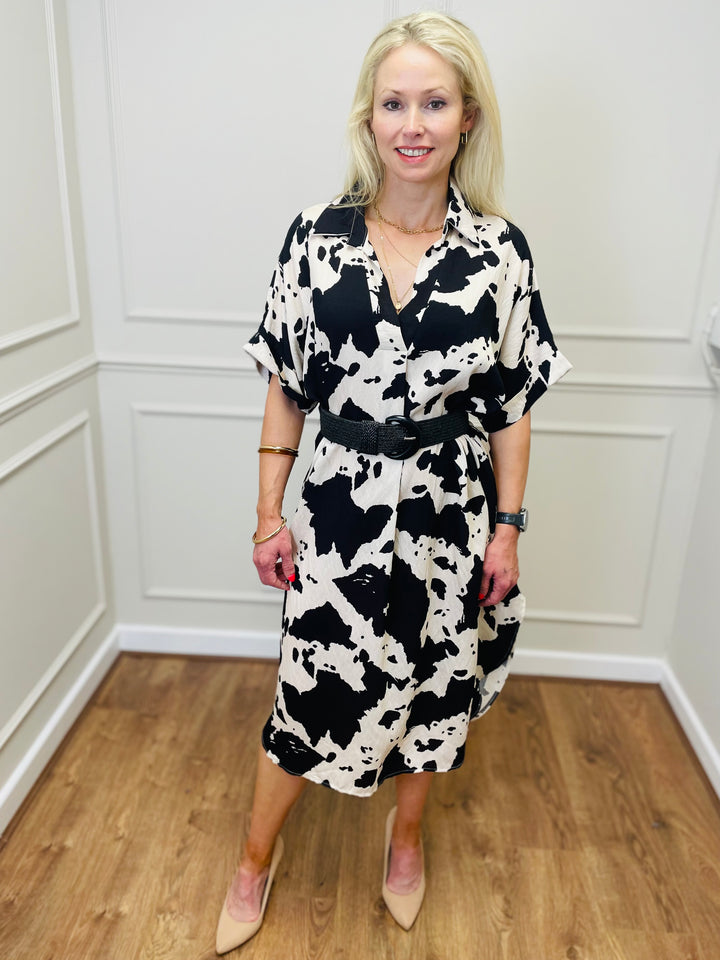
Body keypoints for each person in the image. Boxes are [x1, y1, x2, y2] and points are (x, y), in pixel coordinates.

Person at [215, 11, 571, 953]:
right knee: (308, 692)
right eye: (394, 104)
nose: (413, 124)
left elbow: (511, 404)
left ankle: (405, 839)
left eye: (435, 103)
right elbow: (287, 386)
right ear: (368, 117)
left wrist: (508, 528)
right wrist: (267, 516)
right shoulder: (316, 238)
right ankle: (253, 859)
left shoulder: (500, 251)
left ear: (468, 117)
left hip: (452, 513)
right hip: (341, 507)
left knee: (433, 687)